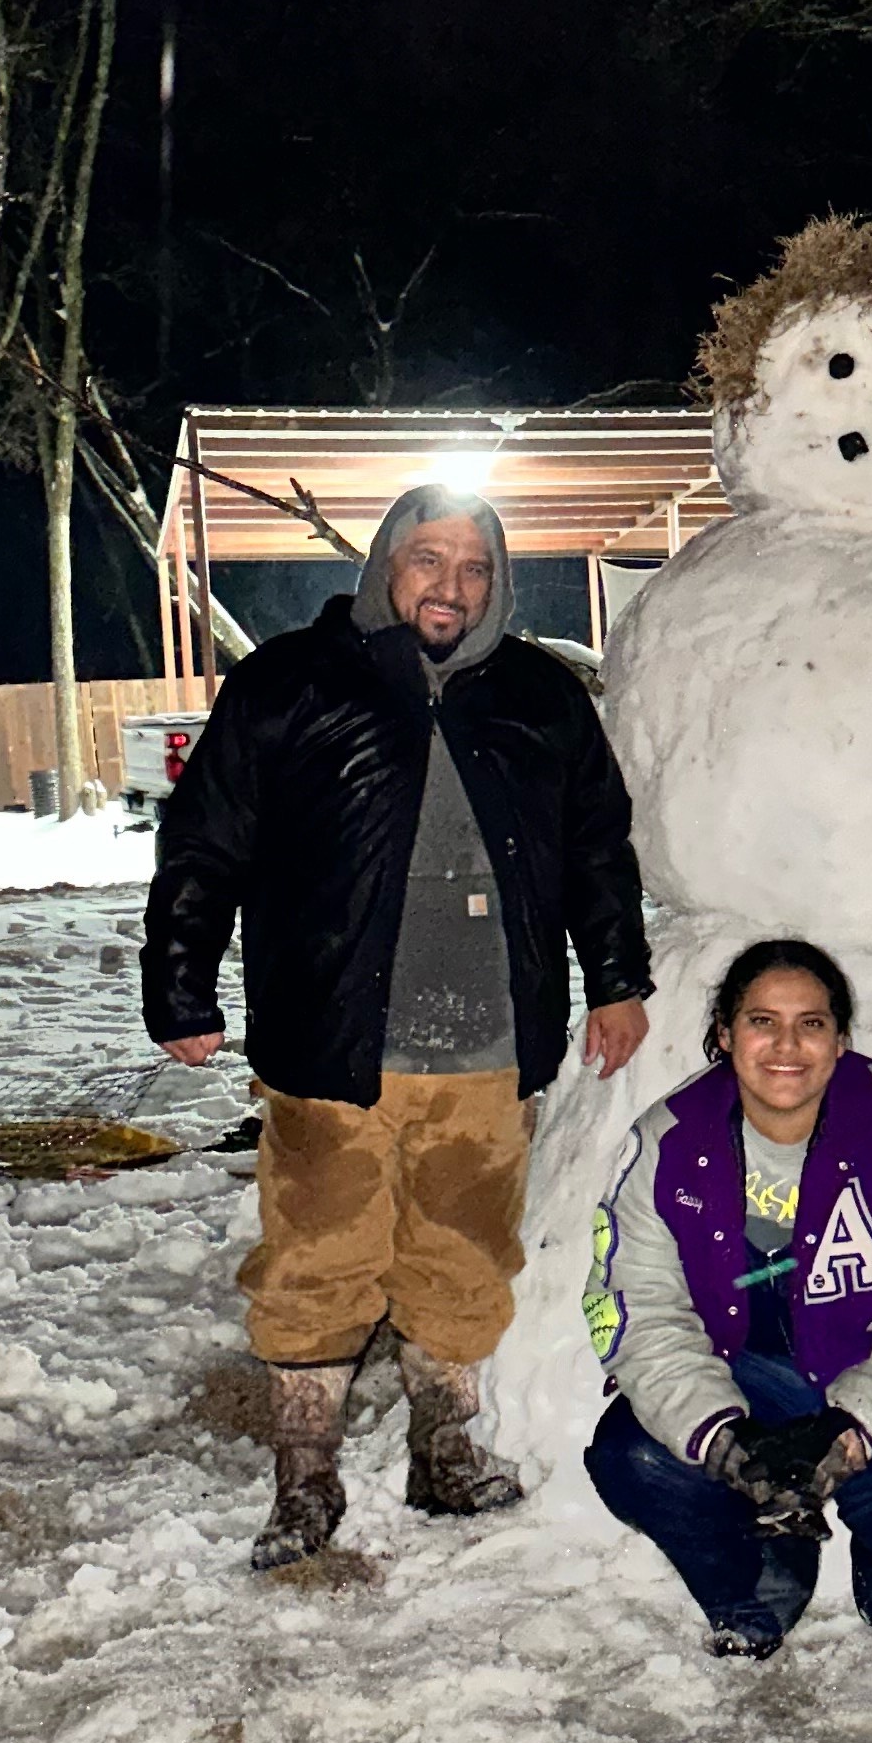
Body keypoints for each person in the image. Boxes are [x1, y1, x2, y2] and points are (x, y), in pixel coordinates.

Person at [143, 480, 652, 1567]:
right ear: (385, 563)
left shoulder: (539, 695)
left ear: (498, 582)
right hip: (333, 1043)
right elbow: (206, 841)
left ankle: (444, 1448)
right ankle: (304, 1478)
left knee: (462, 1254)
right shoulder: (290, 681)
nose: (450, 586)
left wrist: (616, 976)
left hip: (488, 1046)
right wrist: (180, 982)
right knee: (318, 1258)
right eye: (429, 560)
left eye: (474, 568)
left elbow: (596, 846)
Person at [582, 940, 872, 1662]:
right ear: (724, 1032)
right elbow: (634, 1305)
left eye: (811, 1024)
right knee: (636, 1459)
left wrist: (852, 1429)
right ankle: (759, 1578)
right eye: (761, 1021)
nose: (786, 1046)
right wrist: (722, 1440)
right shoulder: (668, 1143)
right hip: (742, 1372)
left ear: (841, 1039)